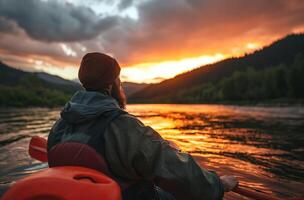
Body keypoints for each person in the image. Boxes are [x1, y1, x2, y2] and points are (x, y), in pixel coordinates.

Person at [47, 52, 238, 200]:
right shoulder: (123, 126)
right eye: (118, 80)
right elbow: (176, 170)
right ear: (111, 85)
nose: (120, 84)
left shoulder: (59, 126)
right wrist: (218, 185)